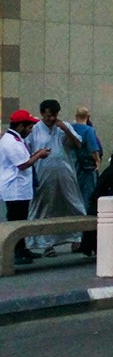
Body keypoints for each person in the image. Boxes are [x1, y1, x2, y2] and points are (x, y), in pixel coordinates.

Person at [26, 99, 86, 257]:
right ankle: (46, 244)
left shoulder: (63, 126)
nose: (51, 119)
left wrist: (65, 129)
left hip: (65, 172)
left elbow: (78, 144)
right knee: (45, 207)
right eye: (47, 116)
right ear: (42, 115)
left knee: (73, 203)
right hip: (43, 174)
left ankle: (77, 238)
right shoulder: (35, 130)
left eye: (54, 115)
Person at [1, 110, 51, 265]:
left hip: (20, 188)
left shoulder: (16, 139)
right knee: (16, 221)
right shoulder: (10, 142)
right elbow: (22, 164)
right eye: (29, 128)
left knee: (22, 220)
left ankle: (22, 249)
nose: (30, 131)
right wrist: (39, 155)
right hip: (14, 188)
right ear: (21, 126)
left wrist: (35, 153)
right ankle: (15, 251)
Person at [71, 106, 103, 205]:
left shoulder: (71, 128)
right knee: (87, 191)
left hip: (72, 163)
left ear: (76, 116)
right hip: (86, 167)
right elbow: (93, 148)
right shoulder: (88, 130)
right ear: (88, 116)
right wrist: (97, 161)